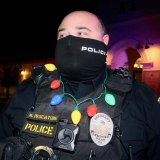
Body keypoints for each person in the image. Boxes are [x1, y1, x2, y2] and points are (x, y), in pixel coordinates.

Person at [0, 10, 160, 160]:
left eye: (81, 33)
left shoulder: (141, 99)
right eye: (62, 35)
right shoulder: (28, 91)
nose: (69, 42)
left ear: (104, 42)